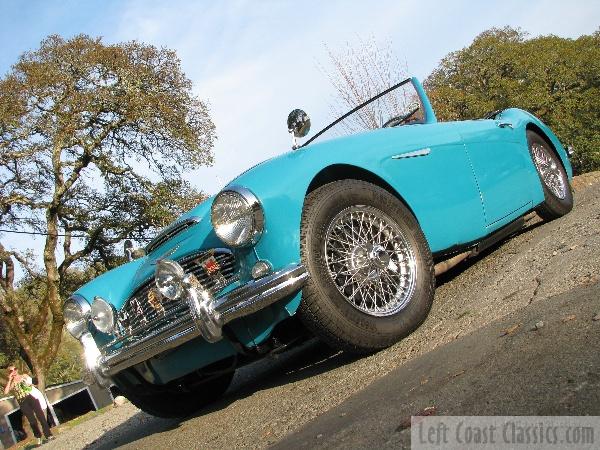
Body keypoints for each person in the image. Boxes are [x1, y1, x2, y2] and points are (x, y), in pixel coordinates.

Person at [3, 366, 54, 445]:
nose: (14, 371)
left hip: (31, 397)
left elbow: (34, 384)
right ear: (9, 373)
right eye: (11, 371)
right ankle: (38, 437)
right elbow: (6, 392)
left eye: (15, 369)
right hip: (22, 402)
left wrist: (30, 384)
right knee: (32, 421)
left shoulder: (24, 376)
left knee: (41, 416)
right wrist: (9, 379)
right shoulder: (12, 383)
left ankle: (48, 435)